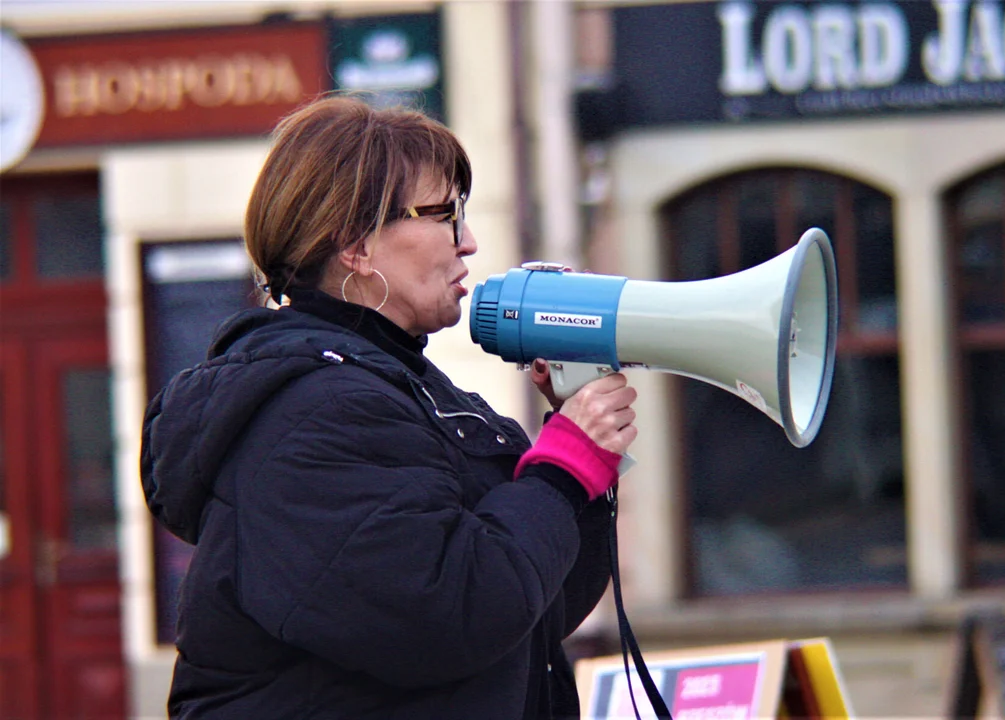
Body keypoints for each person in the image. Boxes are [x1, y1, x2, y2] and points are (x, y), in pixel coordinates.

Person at [140, 94, 639, 719]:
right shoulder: (313, 413)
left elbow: (537, 606)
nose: (470, 242)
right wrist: (562, 471)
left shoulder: (405, 390)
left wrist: (581, 469)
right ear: (355, 244)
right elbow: (445, 615)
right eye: (444, 215)